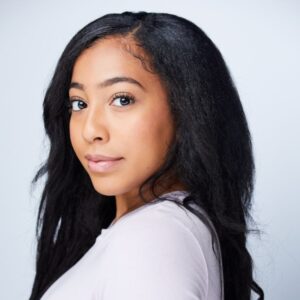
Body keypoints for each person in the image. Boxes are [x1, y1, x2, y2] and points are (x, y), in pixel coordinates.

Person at [29, 11, 264, 300]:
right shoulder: (158, 229)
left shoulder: (152, 237)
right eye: (79, 103)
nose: (90, 129)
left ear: (186, 110)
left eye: (122, 99)